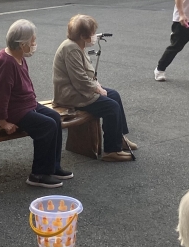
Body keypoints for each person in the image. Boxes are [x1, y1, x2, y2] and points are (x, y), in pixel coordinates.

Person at [0, 19, 71, 188]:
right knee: (46, 126)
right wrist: (3, 121)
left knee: (54, 117)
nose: (34, 44)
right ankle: (38, 175)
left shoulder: (18, 57)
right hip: (9, 112)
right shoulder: (6, 62)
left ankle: (53, 167)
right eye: (33, 40)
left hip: (23, 105)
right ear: (22, 44)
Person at [52, 14, 137, 162]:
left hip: (79, 90)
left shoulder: (77, 45)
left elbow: (84, 76)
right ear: (83, 36)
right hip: (71, 94)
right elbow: (80, 81)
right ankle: (112, 150)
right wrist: (97, 89)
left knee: (114, 95)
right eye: (92, 33)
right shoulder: (71, 49)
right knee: (111, 107)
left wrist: (97, 86)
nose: (94, 36)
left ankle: (119, 138)